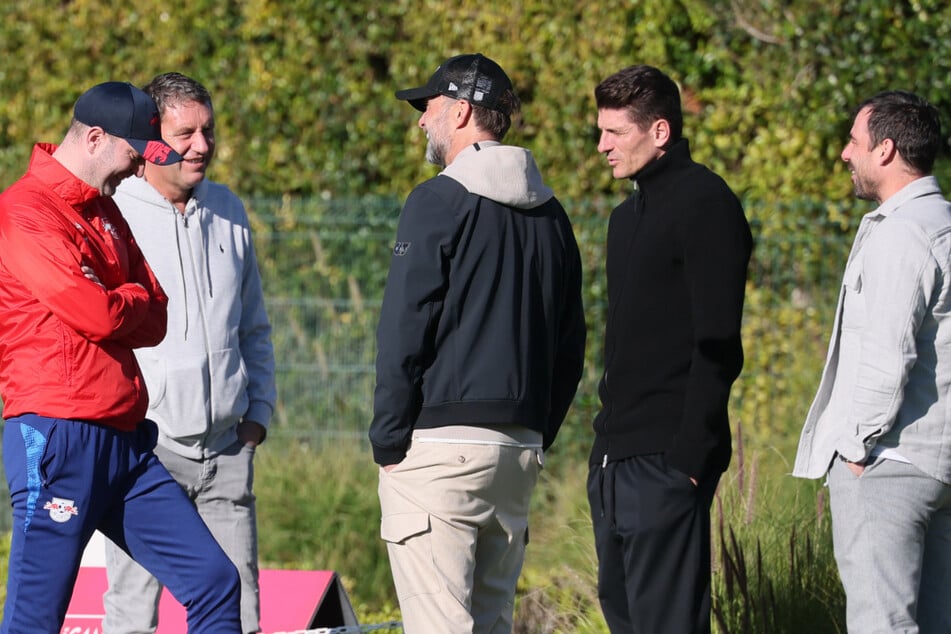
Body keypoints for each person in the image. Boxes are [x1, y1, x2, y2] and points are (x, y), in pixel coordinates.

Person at [0, 81, 242, 633]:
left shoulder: (105, 211)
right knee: (35, 621)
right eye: (134, 155)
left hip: (125, 441)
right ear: (93, 137)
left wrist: (120, 297)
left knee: (214, 582)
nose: (138, 171)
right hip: (59, 436)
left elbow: (155, 314)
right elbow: (97, 314)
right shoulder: (24, 211)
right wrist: (121, 298)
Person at [369, 53, 586, 633]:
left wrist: (388, 441)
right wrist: (537, 431)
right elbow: (571, 348)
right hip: (518, 453)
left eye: (430, 107)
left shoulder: (436, 200)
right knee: (491, 624)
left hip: (441, 451)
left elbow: (405, 330)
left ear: (462, 111)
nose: (421, 121)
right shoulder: (554, 216)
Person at [101, 72, 276, 634]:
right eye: (185, 133)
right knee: (133, 612)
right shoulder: (112, 213)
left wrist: (258, 418)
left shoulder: (230, 208)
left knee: (241, 608)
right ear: (152, 138)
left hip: (228, 450)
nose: (202, 145)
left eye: (208, 131)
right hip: (144, 451)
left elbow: (254, 327)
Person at [588, 65, 752, 634]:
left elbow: (718, 341)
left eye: (615, 133)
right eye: (600, 131)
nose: (602, 146)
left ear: (659, 132)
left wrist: (689, 459)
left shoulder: (706, 203)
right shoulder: (623, 218)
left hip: (665, 464)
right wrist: (602, 457)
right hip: (613, 461)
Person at [794, 91, 951, 632]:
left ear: (884, 151)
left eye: (854, 142)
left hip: (890, 462)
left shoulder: (902, 231)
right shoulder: (943, 222)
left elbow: (889, 352)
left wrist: (857, 448)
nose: (844, 154)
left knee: (881, 623)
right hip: (939, 462)